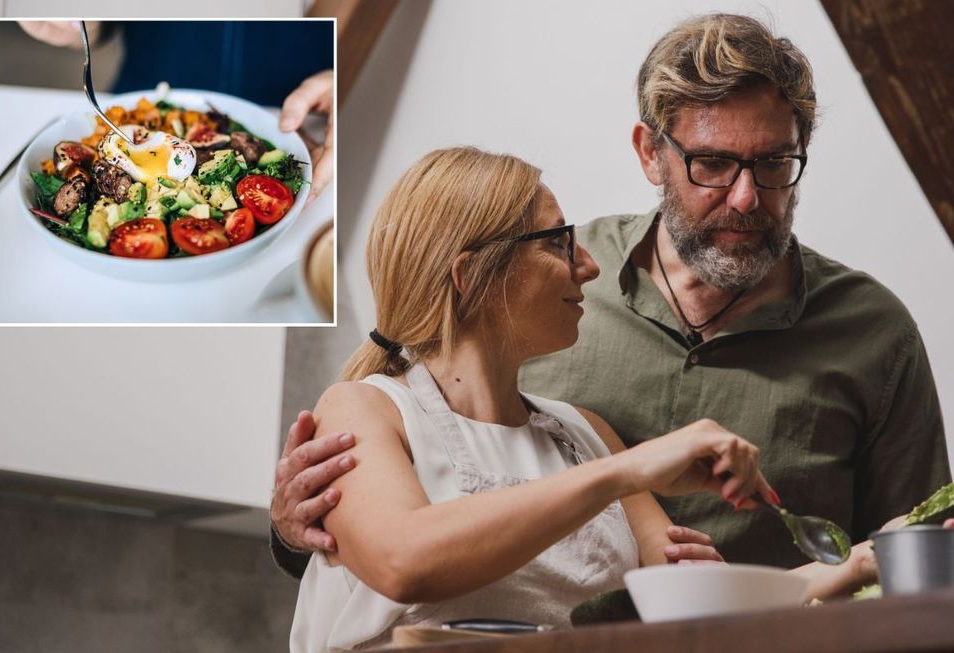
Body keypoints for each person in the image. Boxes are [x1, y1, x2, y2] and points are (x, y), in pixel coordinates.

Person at [271, 12, 949, 571]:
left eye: (774, 163)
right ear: (650, 153)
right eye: (712, 163)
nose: (747, 196)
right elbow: (401, 492)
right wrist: (299, 529)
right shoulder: (535, 280)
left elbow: (920, 560)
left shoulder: (873, 332)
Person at [282, 146, 873, 651]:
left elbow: (701, 614)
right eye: (559, 243)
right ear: (471, 274)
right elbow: (404, 562)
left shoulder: (585, 435)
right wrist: (624, 472)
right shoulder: (365, 408)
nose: (588, 265)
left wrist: (866, 561)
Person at [18, 20, 335, 206]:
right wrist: (80, 24)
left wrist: (343, 81)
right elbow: (102, 22)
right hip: (142, 89)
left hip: (298, 109)